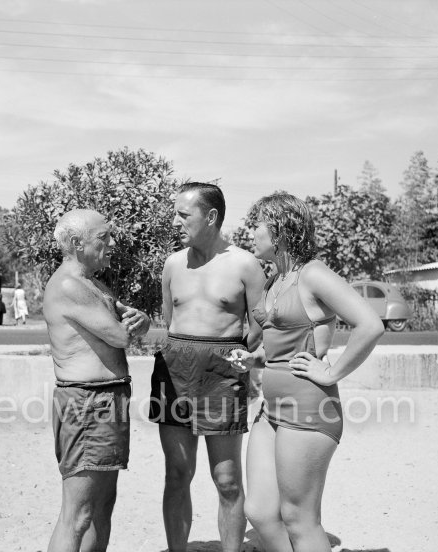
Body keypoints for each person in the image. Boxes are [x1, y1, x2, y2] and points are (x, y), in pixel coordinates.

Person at [227, 192, 384, 552]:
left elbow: (370, 325)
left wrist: (332, 374)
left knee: (299, 518)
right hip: (272, 408)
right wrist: (255, 359)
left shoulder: (312, 274)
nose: (251, 233)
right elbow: (280, 343)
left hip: (308, 407)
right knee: (261, 511)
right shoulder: (273, 280)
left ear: (280, 231)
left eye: (257, 225)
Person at [149, 182, 266, 552]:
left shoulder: (245, 264)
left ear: (211, 217)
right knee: (177, 474)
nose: (175, 221)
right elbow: (169, 319)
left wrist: (236, 360)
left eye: (183, 215)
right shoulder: (172, 263)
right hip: (175, 367)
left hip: (223, 371)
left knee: (227, 479)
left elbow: (261, 324)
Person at [43, 209, 150, 552]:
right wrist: (132, 325)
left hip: (105, 400)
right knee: (77, 514)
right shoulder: (70, 284)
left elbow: (131, 320)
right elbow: (120, 334)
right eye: (104, 237)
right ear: (76, 243)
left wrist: (142, 318)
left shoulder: (93, 284)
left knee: (102, 506)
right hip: (87, 404)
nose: (112, 243)